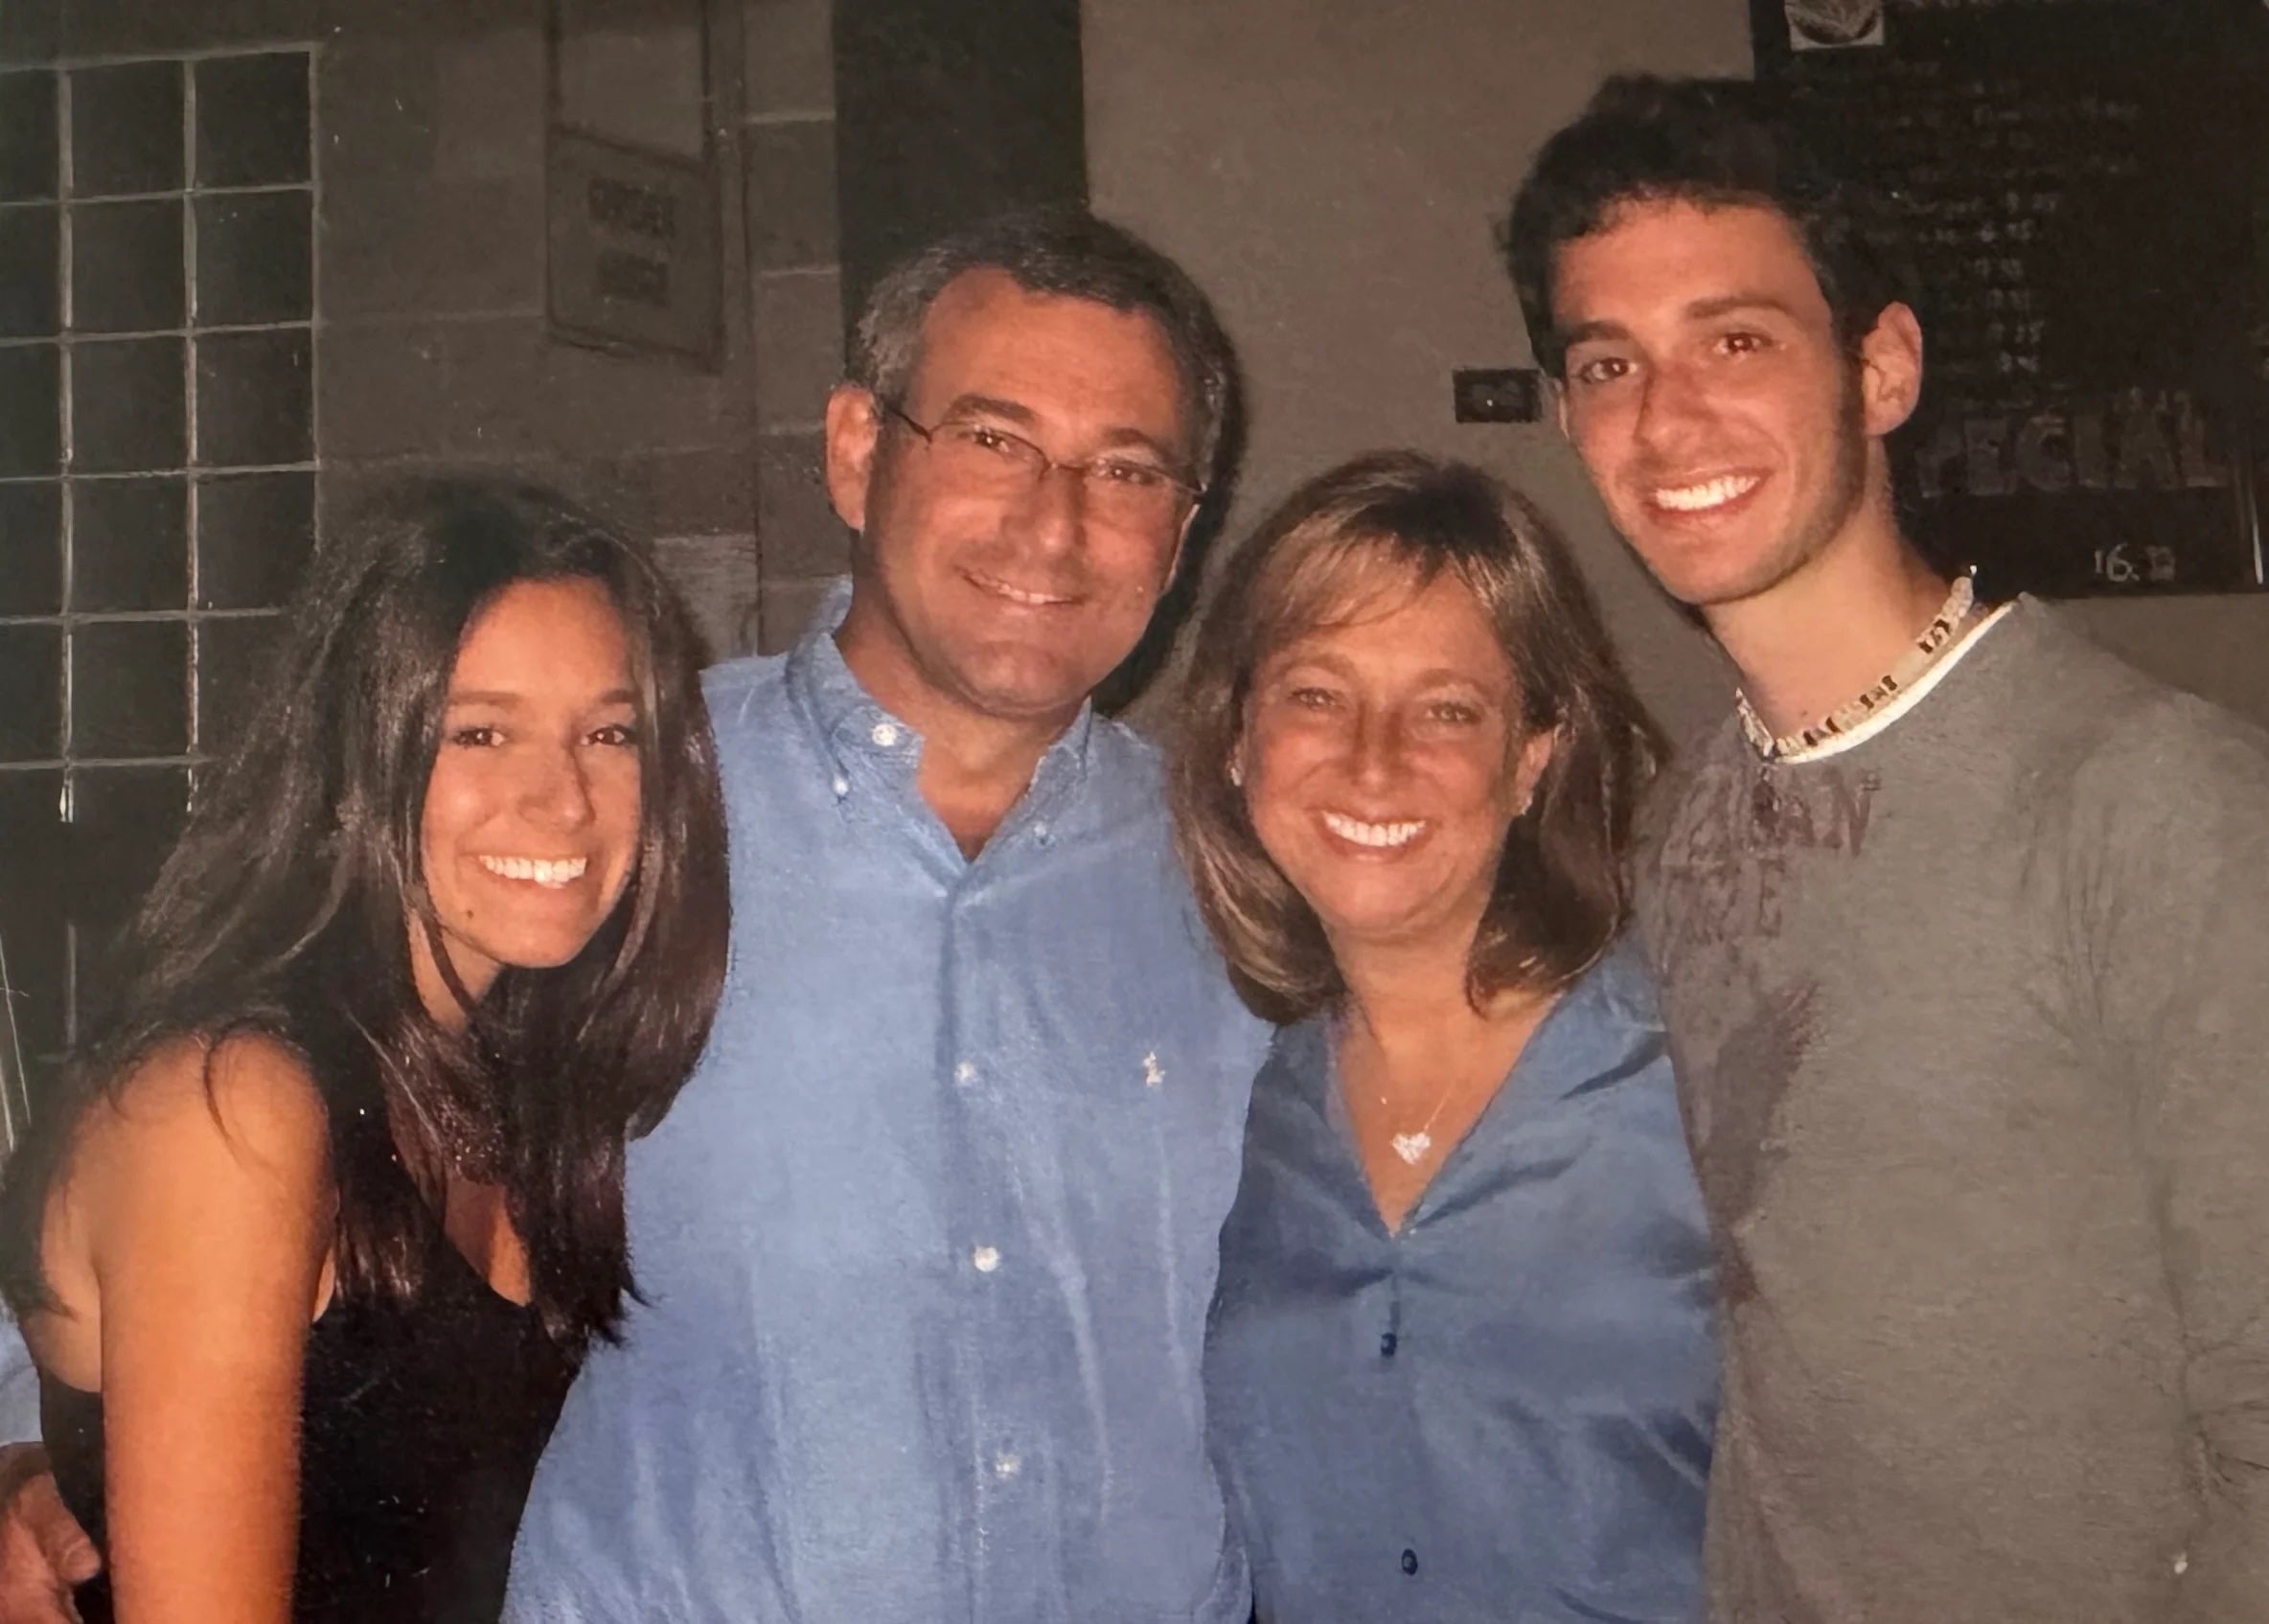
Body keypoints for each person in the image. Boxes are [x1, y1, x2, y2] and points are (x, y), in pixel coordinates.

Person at [1503, 74, 2269, 1623]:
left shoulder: (2151, 808)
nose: (1665, 419)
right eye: (1607, 363)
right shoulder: (1681, 829)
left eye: (1734, 340)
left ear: (1881, 365)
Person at [496, 209, 1272, 1620]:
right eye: (992, 439)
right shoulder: (630, 796)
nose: (1056, 520)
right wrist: (21, 1424)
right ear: (857, 450)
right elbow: (286, 1052)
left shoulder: (1251, 868)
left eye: (1125, 467)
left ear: (1185, 522)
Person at [0, 481, 729, 1624]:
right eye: (479, 733)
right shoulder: (234, 1105)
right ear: (352, 764)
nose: (564, 799)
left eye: (608, 733)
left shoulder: (515, 1079)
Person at [1170, 451, 1715, 1623]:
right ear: (1237, 736)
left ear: (1531, 758)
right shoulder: (1233, 1104)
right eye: (1317, 694)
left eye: (1447, 710)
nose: (1375, 759)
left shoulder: (1695, 1072)